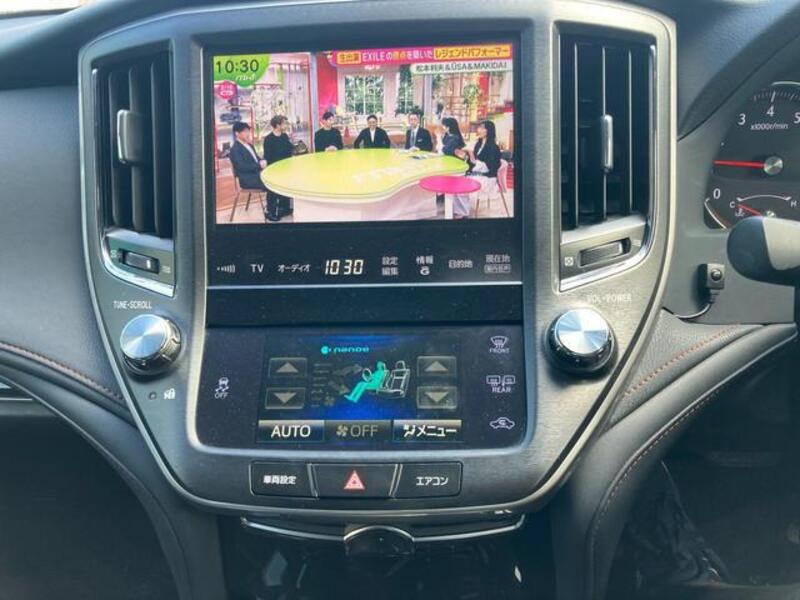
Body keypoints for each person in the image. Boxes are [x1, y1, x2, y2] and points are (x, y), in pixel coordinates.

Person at [452, 120, 502, 219]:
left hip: (488, 177)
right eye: (479, 127)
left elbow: (491, 168)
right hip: (477, 174)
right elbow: (473, 163)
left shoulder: (494, 147)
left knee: (461, 185)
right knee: (456, 181)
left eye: (482, 128)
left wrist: (472, 156)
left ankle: (463, 212)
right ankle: (460, 210)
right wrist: (465, 156)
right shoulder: (478, 144)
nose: (479, 130)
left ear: (489, 130)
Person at [262, 115, 295, 222]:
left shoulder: (284, 136)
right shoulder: (268, 139)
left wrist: (292, 141)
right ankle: (270, 211)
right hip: (274, 169)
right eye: (284, 123)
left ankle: (284, 208)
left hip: (285, 167)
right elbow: (268, 156)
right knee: (273, 190)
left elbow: (289, 150)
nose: (285, 125)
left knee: (286, 185)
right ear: (277, 125)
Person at [228, 122, 266, 192]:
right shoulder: (235, 149)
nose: (248, 134)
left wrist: (263, 161)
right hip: (248, 180)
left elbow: (257, 159)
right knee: (273, 184)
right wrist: (259, 165)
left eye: (248, 131)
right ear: (237, 133)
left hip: (258, 175)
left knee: (276, 179)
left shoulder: (250, 145)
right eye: (245, 131)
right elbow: (242, 167)